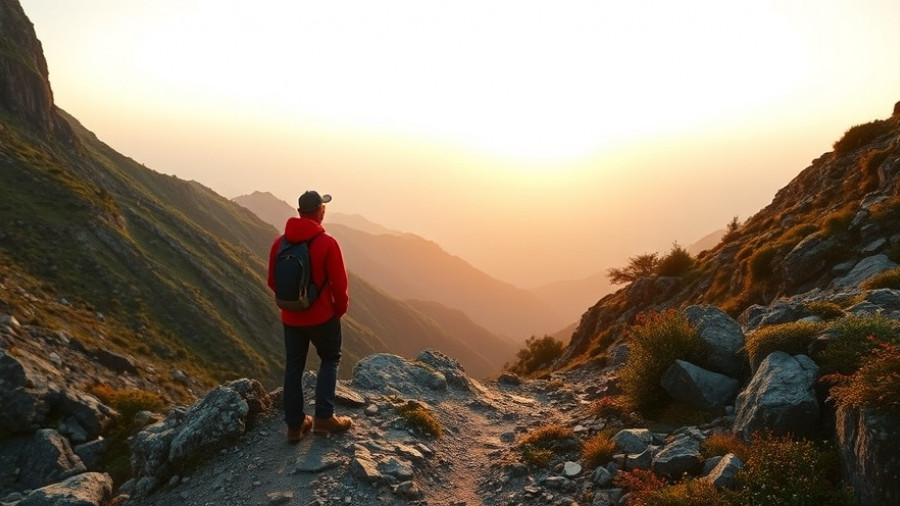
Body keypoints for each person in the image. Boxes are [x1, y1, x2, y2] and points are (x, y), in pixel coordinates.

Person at [267, 190, 352, 443]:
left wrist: (294, 305)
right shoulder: (327, 243)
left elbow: (273, 282)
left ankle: (295, 426)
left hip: (291, 317)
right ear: (320, 211)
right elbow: (340, 285)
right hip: (323, 317)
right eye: (323, 207)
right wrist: (337, 310)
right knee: (329, 358)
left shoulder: (279, 243)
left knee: (294, 366)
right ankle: (324, 418)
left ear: (299, 212)